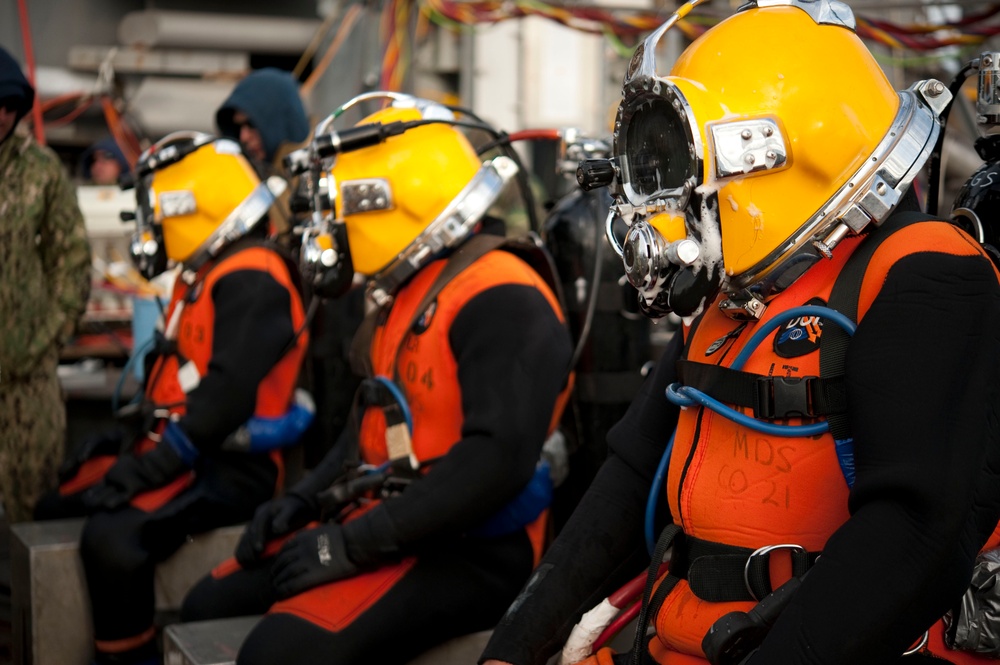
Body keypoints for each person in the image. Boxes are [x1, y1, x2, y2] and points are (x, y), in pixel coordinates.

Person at [479, 1, 1000, 664]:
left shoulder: (924, 272)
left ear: (771, 154)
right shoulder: (741, 287)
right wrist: (513, 644)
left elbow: (915, 530)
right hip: (682, 629)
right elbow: (633, 469)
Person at [180, 93, 575, 665]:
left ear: (391, 199)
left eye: (340, 205)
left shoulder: (502, 293)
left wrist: (352, 544)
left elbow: (495, 463)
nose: (329, 226)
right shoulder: (408, 286)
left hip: (477, 546)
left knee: (277, 654)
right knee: (209, 602)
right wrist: (302, 501)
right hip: (394, 521)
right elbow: (369, 423)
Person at [34, 132, 311, 665]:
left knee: (112, 542)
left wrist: (152, 466)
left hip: (232, 465)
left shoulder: (254, 277)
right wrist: (129, 441)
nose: (152, 224)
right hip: (184, 447)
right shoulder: (208, 272)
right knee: (57, 501)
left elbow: (225, 398)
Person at [0, 45, 92, 524]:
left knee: (33, 512)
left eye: (8, 106)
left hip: (27, 377)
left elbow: (72, 261)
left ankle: (26, 601)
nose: (0, 115)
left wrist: (48, 338)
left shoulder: (40, 172)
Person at [215, 67, 310, 242]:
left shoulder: (323, 172)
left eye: (251, 124)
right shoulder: (247, 181)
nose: (243, 137)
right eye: (238, 128)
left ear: (279, 119)